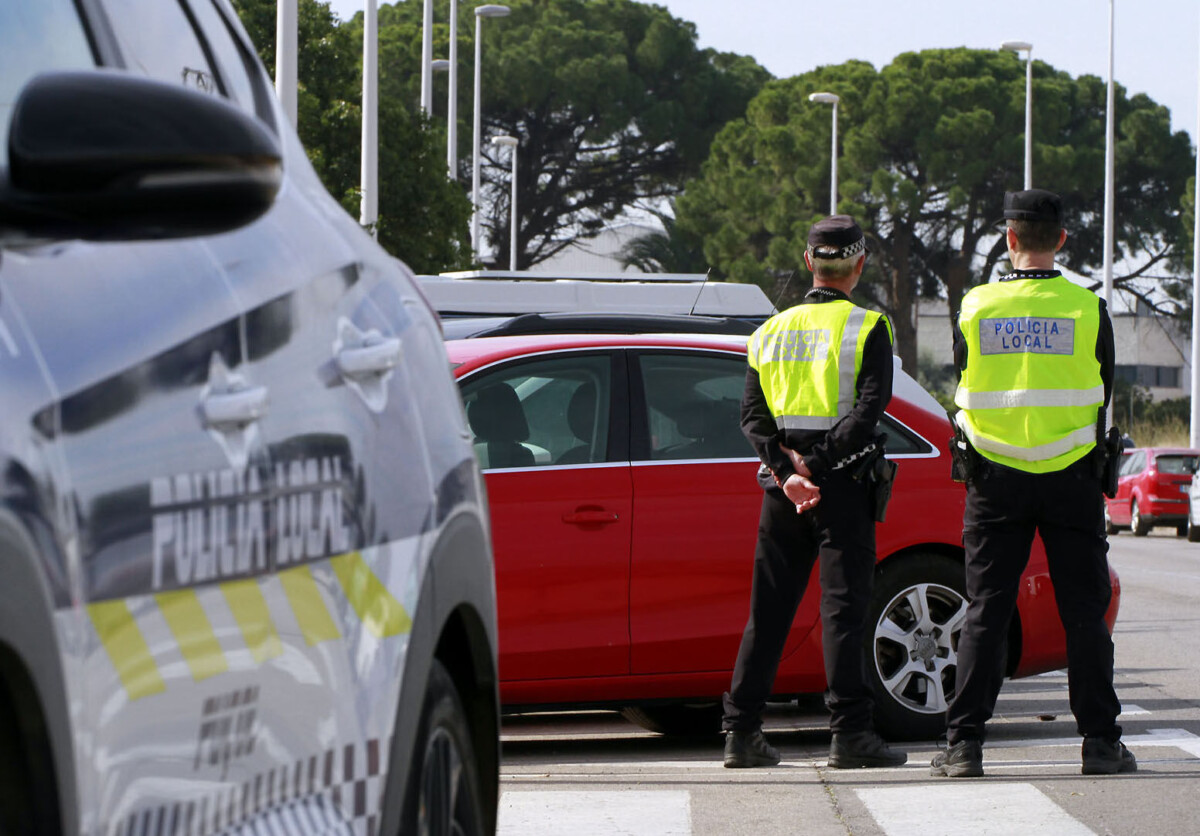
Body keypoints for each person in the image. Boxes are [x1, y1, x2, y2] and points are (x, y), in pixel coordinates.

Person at [932, 188, 1135, 778]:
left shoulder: (976, 306)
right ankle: (1100, 742)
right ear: (1061, 240)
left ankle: (964, 745)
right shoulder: (1088, 309)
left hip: (995, 477)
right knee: (1084, 613)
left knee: (986, 610)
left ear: (1009, 238)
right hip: (1071, 474)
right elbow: (1105, 387)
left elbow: (964, 373)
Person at [722, 215, 907, 770]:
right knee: (843, 614)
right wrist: (819, 466)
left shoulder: (768, 333)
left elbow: (752, 418)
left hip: (783, 494)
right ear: (859, 264)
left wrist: (788, 472)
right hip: (843, 488)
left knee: (768, 614)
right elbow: (869, 410)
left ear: (808, 262)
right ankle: (851, 735)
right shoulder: (868, 326)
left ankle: (741, 732)